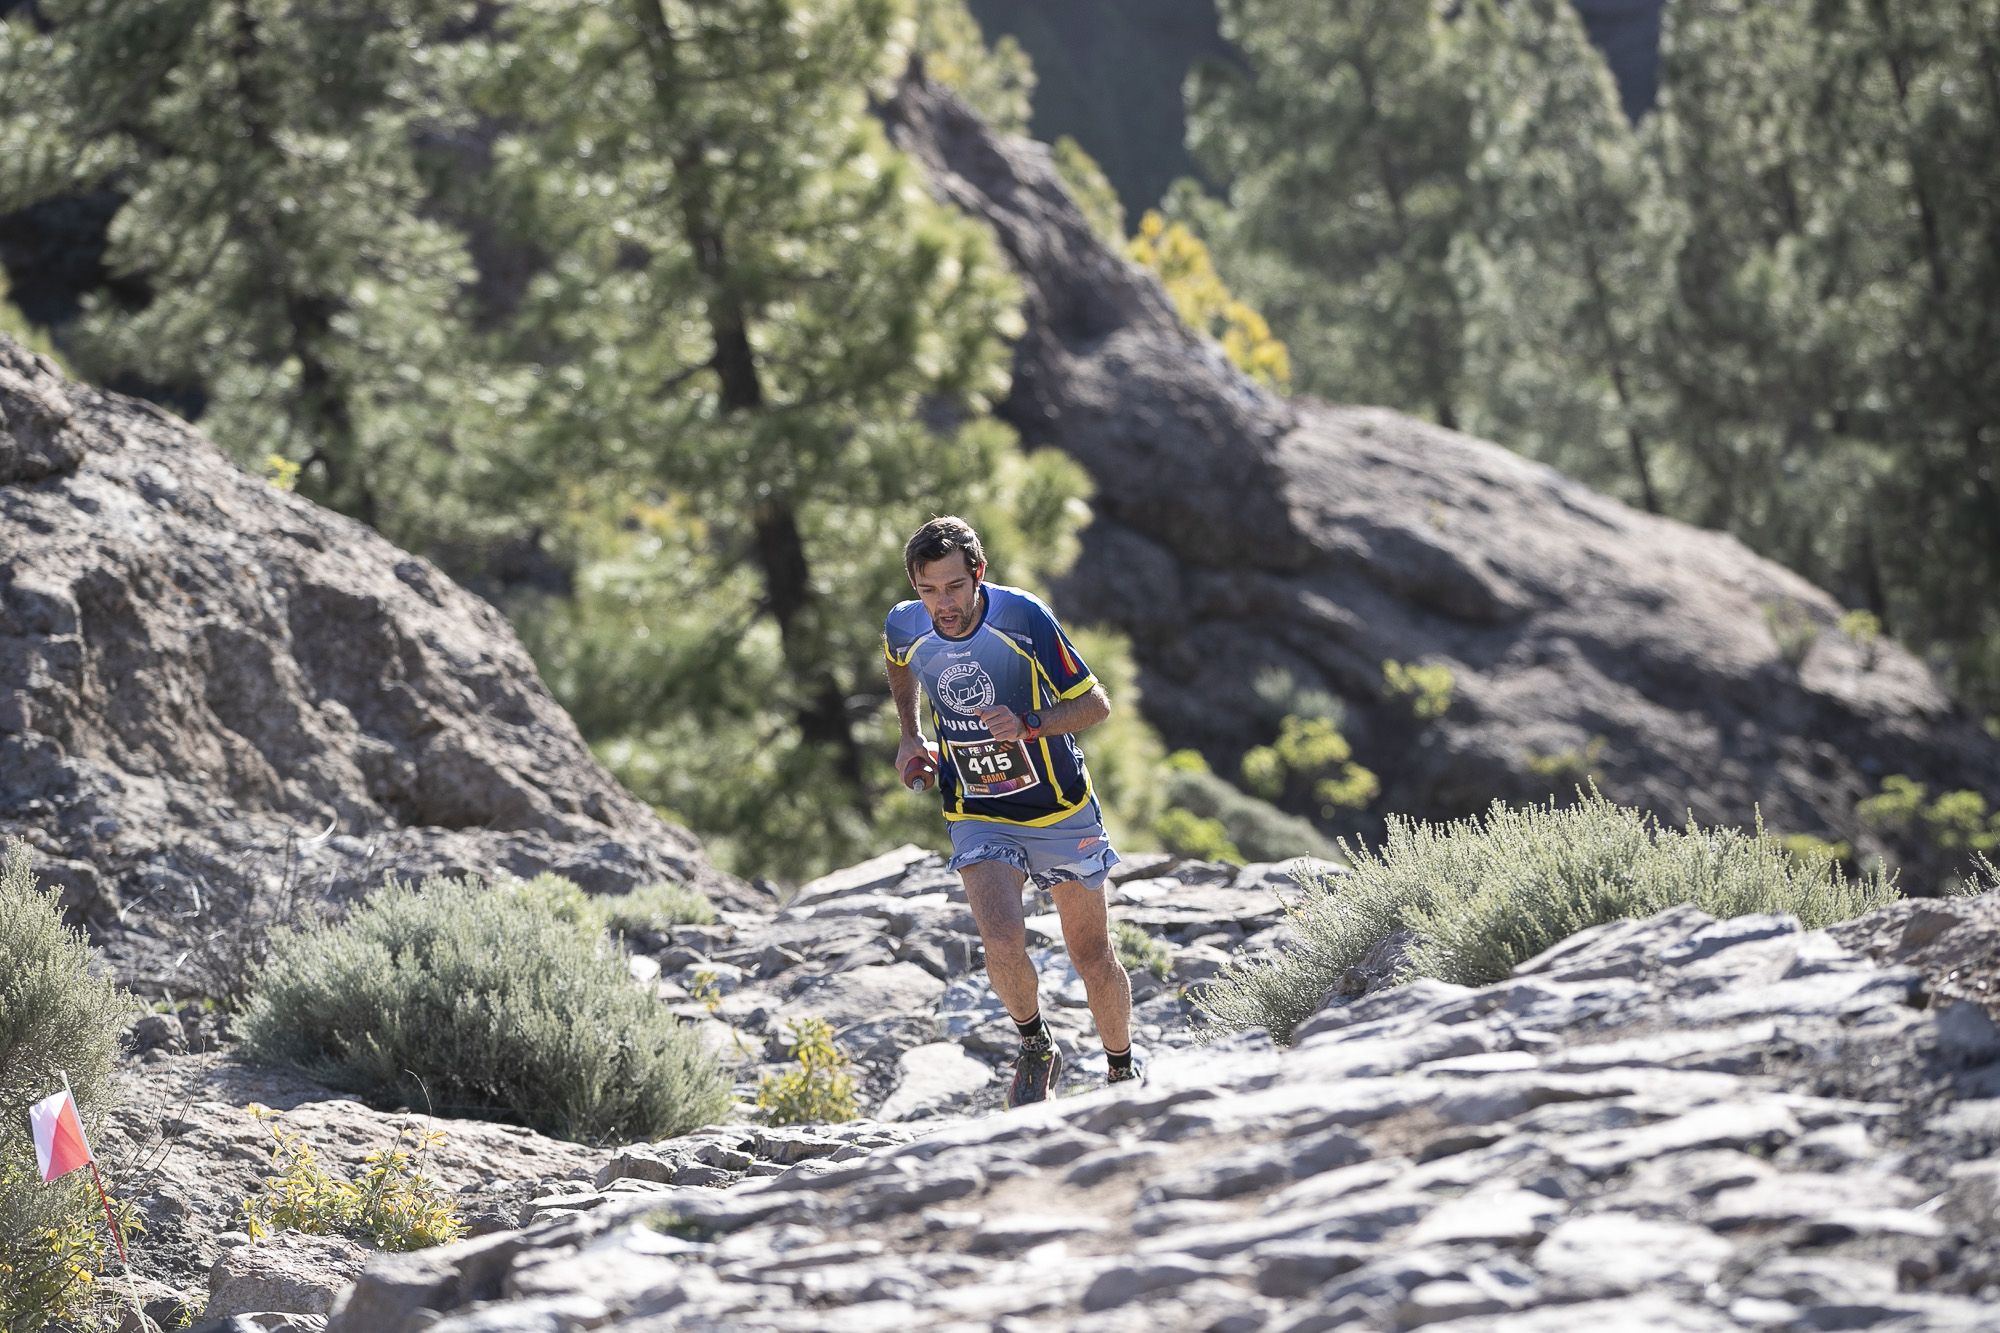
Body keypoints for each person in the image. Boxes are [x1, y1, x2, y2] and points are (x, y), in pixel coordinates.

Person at [884, 515, 1137, 1108]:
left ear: (979, 574)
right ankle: (1034, 1044)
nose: (941, 604)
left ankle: (1121, 1070)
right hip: (977, 808)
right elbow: (899, 660)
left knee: (1091, 956)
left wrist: (1028, 725)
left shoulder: (1022, 617)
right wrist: (909, 735)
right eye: (927, 590)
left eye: (953, 587)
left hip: (1058, 806)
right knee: (1000, 938)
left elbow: (1095, 706)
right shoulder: (906, 624)